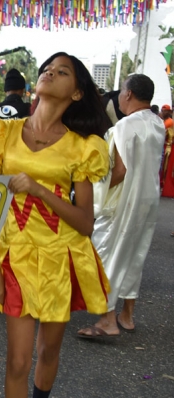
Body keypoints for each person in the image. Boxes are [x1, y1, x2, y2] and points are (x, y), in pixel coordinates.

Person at [0, 52, 111, 398]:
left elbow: (85, 223)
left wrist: (38, 189)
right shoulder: (1, 132)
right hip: (13, 256)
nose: (50, 72)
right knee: (18, 360)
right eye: (47, 68)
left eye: (63, 71)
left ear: (77, 93)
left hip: (59, 258)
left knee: (47, 351)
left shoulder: (84, 147)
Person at [77, 74, 165, 338]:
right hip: (148, 198)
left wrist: (95, 194)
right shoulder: (157, 123)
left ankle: (108, 320)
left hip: (124, 200)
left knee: (107, 253)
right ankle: (127, 315)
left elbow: (120, 171)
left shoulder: (125, 126)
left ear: (128, 94)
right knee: (135, 253)